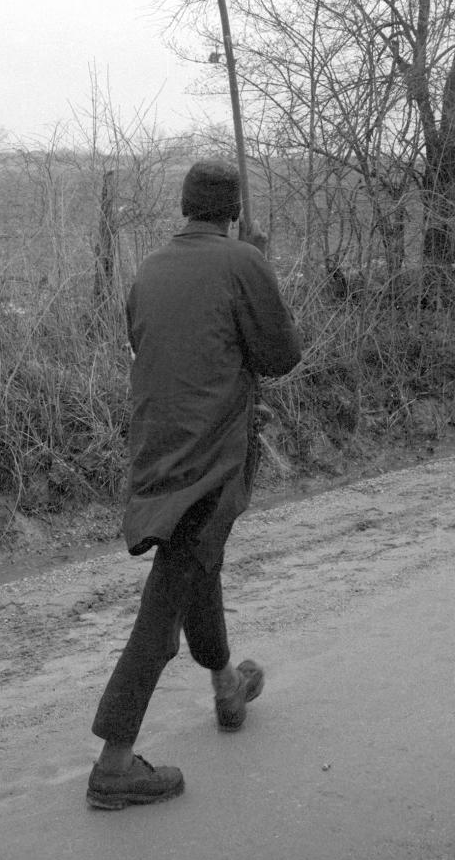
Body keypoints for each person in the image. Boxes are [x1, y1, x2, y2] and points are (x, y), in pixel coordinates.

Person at [86, 159, 302, 811]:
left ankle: (226, 690)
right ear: (232, 210)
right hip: (209, 461)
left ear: (184, 207)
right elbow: (279, 357)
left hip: (155, 454)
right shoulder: (243, 263)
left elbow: (148, 343)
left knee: (198, 569)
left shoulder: (150, 270)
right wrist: (255, 270)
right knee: (167, 603)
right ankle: (114, 764)